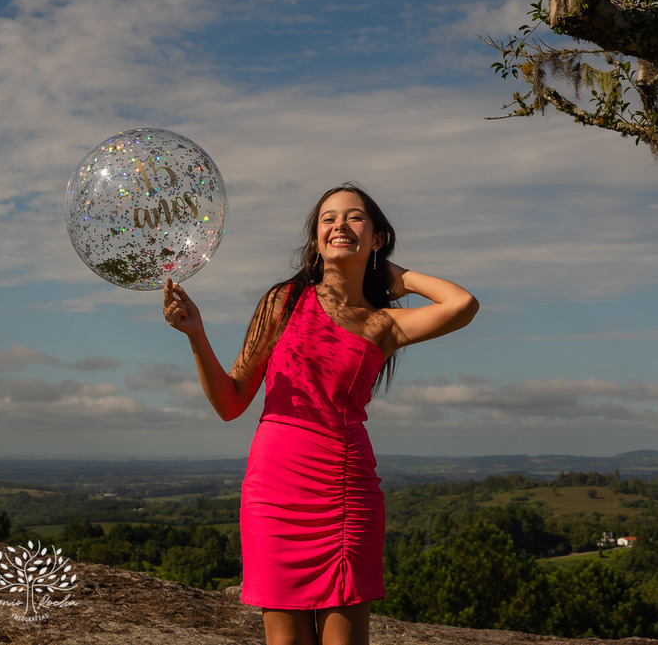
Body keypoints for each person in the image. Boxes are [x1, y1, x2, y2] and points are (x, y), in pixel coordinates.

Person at [162, 183, 478, 645]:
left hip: (343, 493)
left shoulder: (383, 323)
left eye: (355, 218)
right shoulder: (282, 301)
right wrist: (196, 334)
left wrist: (393, 275)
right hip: (272, 490)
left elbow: (462, 304)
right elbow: (230, 403)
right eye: (328, 219)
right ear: (315, 239)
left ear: (378, 238)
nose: (339, 225)